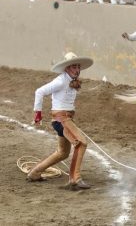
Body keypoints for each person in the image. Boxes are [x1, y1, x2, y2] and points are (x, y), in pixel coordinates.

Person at [28, 52, 94, 190]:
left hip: (65, 119)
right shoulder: (60, 80)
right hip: (61, 119)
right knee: (81, 143)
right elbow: (39, 91)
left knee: (63, 152)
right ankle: (75, 178)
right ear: (67, 68)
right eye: (73, 67)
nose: (77, 70)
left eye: (78, 67)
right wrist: (38, 114)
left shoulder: (69, 80)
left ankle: (35, 172)